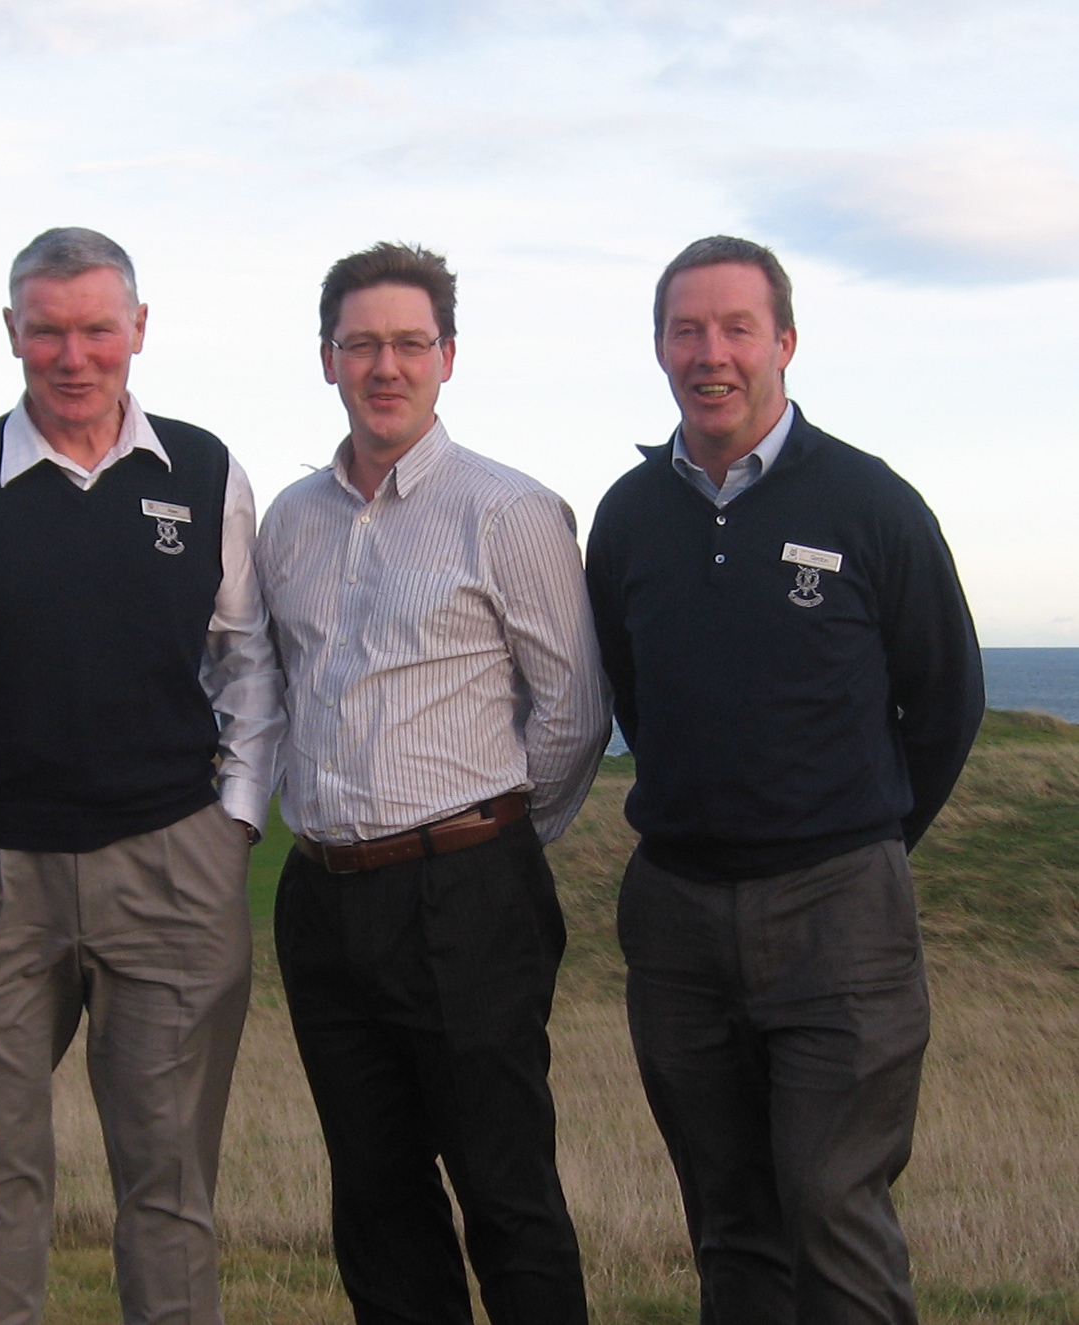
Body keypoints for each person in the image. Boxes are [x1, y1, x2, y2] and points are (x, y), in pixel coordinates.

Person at [0, 227, 282, 1325]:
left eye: (97, 328)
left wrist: (232, 819)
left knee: (169, 1180)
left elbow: (246, 658)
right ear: (11, 333)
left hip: (173, 864)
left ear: (137, 330)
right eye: (46, 330)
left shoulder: (203, 471)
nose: (72, 354)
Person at [585, 235, 985, 1324]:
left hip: (837, 912)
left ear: (785, 343)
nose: (708, 354)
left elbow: (944, 699)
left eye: (734, 328)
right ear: (659, 347)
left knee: (830, 1203)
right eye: (685, 330)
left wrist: (860, 837)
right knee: (729, 1220)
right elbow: (631, 687)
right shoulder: (626, 516)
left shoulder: (869, 503)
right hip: (674, 916)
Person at [255, 241, 611, 1325]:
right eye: (360, 342)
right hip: (321, 898)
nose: (385, 364)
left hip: (466, 895)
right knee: (374, 1198)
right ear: (325, 358)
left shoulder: (508, 510)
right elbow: (275, 687)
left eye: (409, 342)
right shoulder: (286, 521)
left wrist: (492, 843)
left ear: (447, 356)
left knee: (504, 1193)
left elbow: (572, 710)